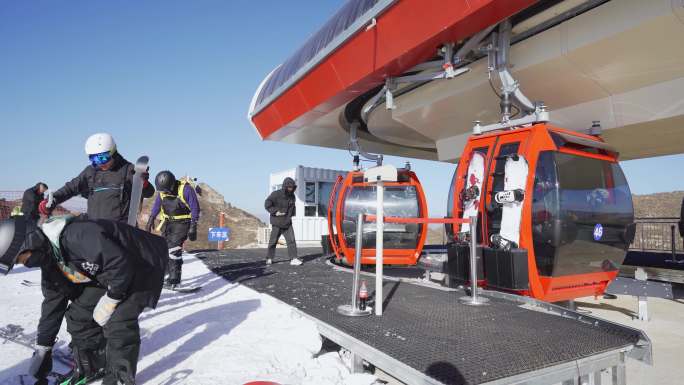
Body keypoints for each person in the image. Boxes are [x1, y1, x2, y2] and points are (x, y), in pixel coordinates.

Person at [34, 133, 155, 383]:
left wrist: (143, 184)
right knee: (81, 313)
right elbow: (71, 187)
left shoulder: (128, 170)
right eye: (93, 157)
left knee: (117, 319)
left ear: (114, 152)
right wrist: (53, 198)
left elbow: (147, 190)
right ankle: (91, 359)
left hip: (118, 244)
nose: (99, 161)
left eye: (103, 157)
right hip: (91, 244)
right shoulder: (91, 173)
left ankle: (117, 373)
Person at [0, 215, 167, 385]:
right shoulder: (50, 255)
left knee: (118, 321)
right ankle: (95, 364)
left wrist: (111, 299)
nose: (26, 264)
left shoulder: (78, 235)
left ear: (30, 241)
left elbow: (120, 265)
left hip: (142, 264)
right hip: (110, 274)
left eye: (22, 259)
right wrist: (44, 347)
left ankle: (119, 378)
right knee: (79, 314)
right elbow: (53, 302)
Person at [146, 171, 200, 288]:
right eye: (162, 191)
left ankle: (175, 279)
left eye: (165, 190)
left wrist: (193, 226)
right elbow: (157, 205)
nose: (163, 193)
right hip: (167, 223)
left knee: (174, 249)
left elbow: (195, 208)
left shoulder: (185, 190)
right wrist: (151, 219)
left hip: (183, 223)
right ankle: (166, 275)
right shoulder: (162, 191)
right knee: (164, 248)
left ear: (171, 186)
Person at [264, 177, 301, 266]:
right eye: (289, 187)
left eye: (292, 187)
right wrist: (275, 211)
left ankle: (294, 259)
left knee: (291, 241)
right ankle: (269, 258)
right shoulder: (275, 194)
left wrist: (291, 216)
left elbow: (292, 208)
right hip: (277, 223)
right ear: (285, 186)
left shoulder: (292, 196)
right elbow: (267, 204)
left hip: (287, 223)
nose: (290, 189)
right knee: (273, 241)